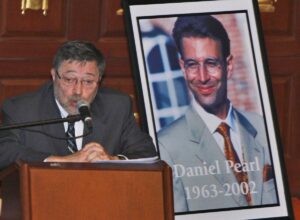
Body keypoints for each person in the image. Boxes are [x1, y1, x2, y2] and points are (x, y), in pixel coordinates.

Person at [158, 15, 277, 212]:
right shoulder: (166, 146)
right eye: (192, 65)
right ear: (182, 67)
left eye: (211, 63)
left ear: (228, 66)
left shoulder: (262, 127)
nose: (203, 77)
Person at [0, 40, 157, 169]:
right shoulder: (21, 109)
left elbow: (146, 152)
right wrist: (63, 161)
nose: (78, 91)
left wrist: (111, 159)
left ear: (99, 80)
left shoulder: (117, 106)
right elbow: (4, 151)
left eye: (88, 82)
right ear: (54, 75)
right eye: (69, 80)